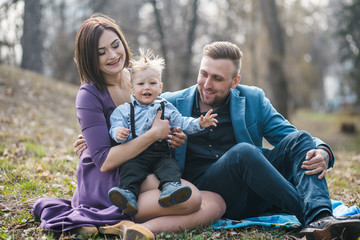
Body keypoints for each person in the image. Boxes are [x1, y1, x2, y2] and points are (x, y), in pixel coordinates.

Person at [75, 41, 360, 239]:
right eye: (203, 74)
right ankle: (314, 219)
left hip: (259, 182)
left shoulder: (253, 98)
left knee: (300, 140)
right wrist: (96, 139)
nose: (207, 84)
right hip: (213, 188)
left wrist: (323, 151)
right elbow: (136, 125)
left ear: (235, 81)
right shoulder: (169, 103)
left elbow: (289, 136)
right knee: (244, 152)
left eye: (217, 79)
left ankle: (322, 219)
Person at [31, 14, 225, 240]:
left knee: (217, 202)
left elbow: (160, 117)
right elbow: (104, 160)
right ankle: (118, 216)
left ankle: (130, 228)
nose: (112, 55)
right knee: (192, 199)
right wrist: (153, 135)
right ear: (89, 58)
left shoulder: (137, 76)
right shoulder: (89, 95)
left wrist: (173, 135)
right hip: (113, 178)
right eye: (101, 52)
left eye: (115, 45)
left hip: (147, 164)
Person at [108, 49, 218, 216]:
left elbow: (182, 122)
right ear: (131, 88)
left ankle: (170, 189)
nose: (147, 88)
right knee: (130, 170)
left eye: (152, 83)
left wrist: (199, 123)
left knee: (170, 168)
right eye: (141, 84)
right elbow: (114, 125)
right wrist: (118, 132)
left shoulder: (166, 107)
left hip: (160, 153)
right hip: (135, 154)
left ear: (160, 87)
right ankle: (128, 195)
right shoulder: (124, 111)